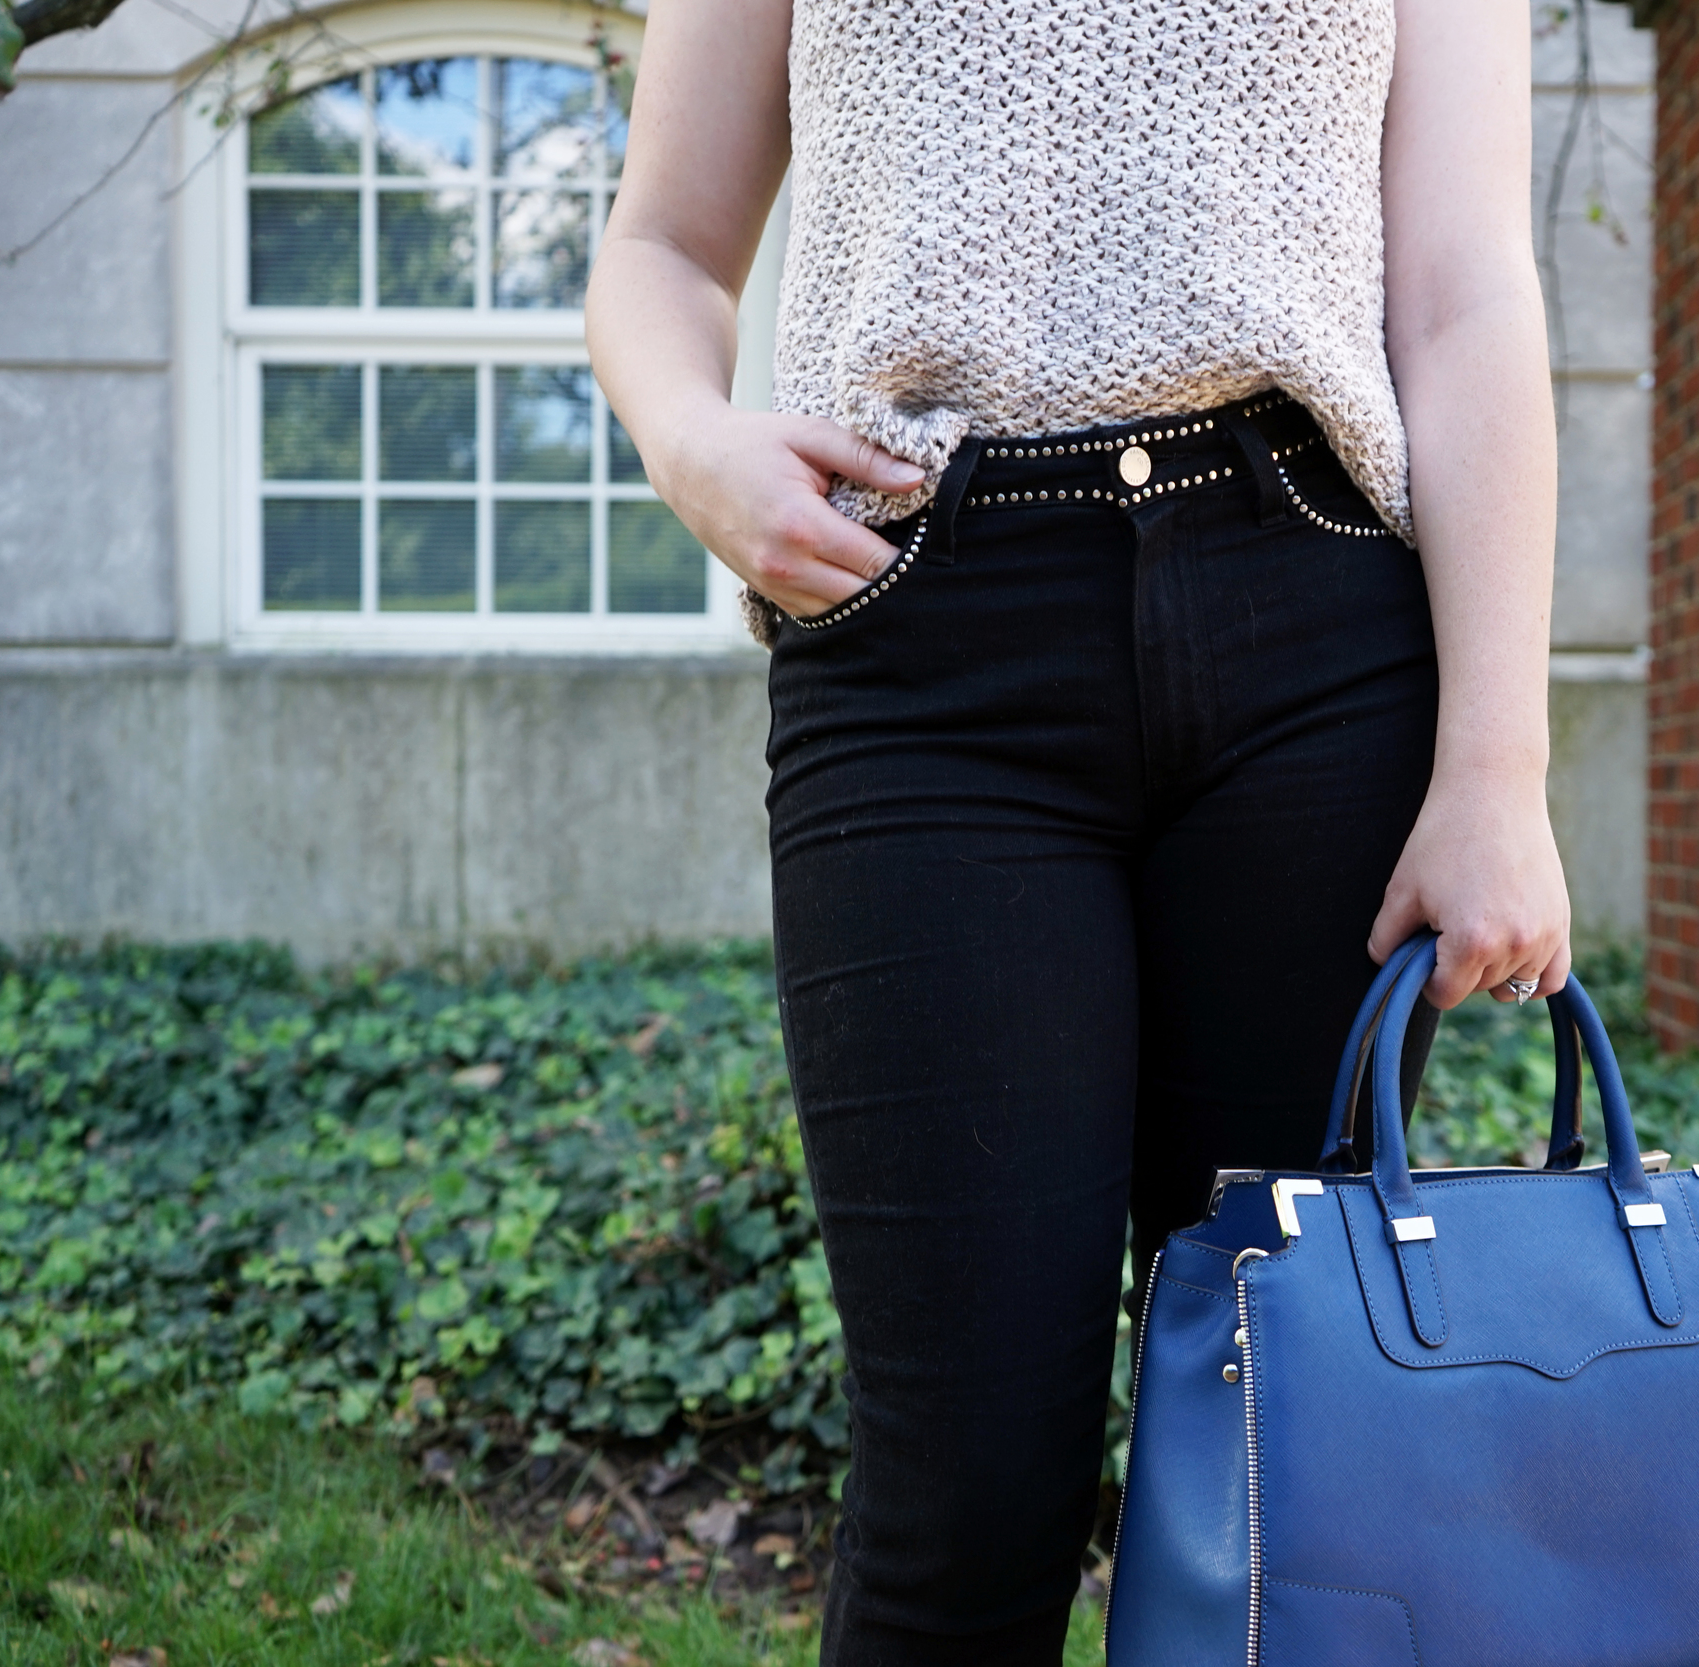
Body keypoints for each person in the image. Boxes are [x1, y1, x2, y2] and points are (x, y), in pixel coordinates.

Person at [586, 0, 1570, 1657]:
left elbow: (1467, 292)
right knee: (962, 1491)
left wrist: (1498, 773)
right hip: (919, 654)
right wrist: (695, 453)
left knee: (1291, 1479)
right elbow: (665, 246)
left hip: (1315, 645)